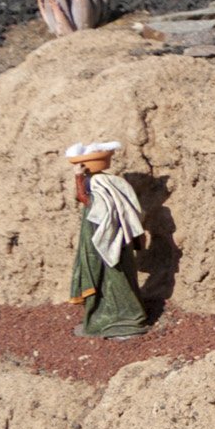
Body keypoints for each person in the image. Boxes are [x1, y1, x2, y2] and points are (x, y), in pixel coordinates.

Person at [65, 141, 147, 339]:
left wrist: (78, 176)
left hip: (103, 238)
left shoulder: (95, 183)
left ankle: (118, 319)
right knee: (113, 275)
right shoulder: (111, 182)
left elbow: (85, 200)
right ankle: (119, 314)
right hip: (113, 237)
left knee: (107, 274)